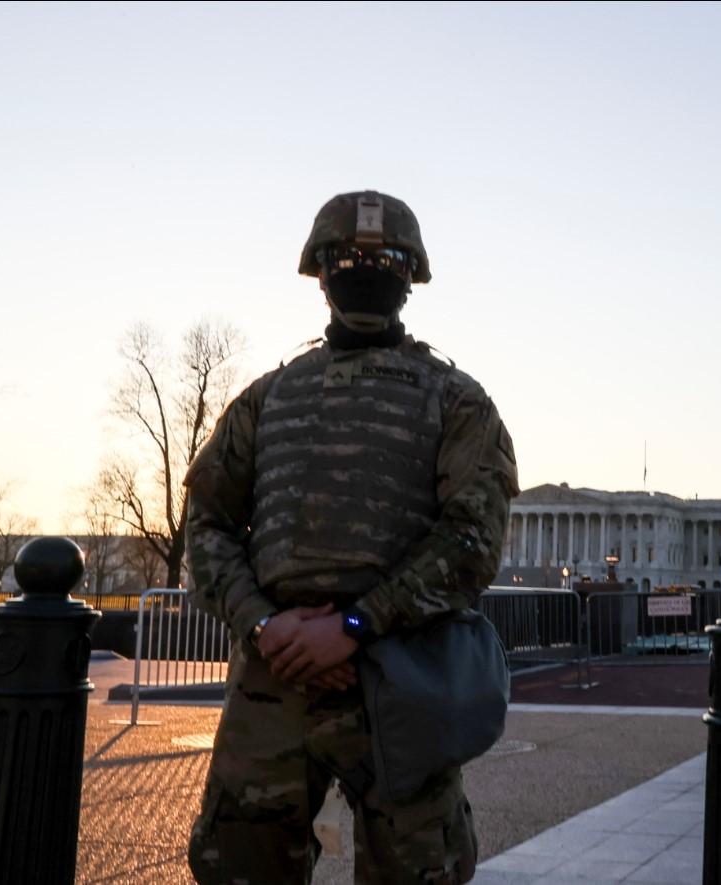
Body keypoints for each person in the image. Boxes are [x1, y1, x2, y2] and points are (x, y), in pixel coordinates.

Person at [184, 190, 519, 884]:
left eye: (384, 257)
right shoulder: (266, 397)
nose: (364, 267)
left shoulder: (457, 399)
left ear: (409, 274)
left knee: (416, 869)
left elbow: (473, 540)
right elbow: (208, 520)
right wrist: (263, 624)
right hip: (278, 672)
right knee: (238, 864)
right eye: (348, 255)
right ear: (321, 269)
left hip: (400, 676)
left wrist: (357, 626)